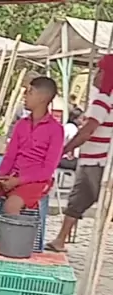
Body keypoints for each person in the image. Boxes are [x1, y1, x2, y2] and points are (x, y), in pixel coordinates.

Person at [47, 56, 113, 252]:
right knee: (76, 201)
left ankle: (61, 240)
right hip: (93, 160)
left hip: (98, 162)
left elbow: (87, 132)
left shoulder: (102, 100)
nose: (96, 75)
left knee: (93, 202)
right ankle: (60, 240)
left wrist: (63, 150)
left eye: (100, 71)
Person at [0, 76, 64, 218]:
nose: (25, 95)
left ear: (42, 98)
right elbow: (10, 156)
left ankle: (9, 232)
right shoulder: (21, 124)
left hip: (36, 181)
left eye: (30, 92)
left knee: (11, 206)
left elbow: (47, 170)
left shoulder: (56, 130)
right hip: (11, 176)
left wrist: (18, 181)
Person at [59, 106, 83, 171]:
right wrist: (70, 153)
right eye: (81, 118)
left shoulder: (66, 126)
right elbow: (72, 141)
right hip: (65, 158)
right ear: (75, 119)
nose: (82, 121)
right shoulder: (72, 128)